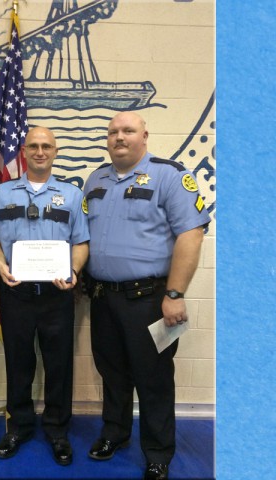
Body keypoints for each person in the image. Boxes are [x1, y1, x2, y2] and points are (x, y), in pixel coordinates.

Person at [83, 112, 211, 480]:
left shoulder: (169, 175)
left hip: (151, 299)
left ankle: (157, 452)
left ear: (144, 136)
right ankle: (115, 434)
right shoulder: (96, 179)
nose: (119, 137)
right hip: (103, 297)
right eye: (113, 132)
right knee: (112, 373)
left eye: (127, 131)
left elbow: (191, 235)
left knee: (153, 378)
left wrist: (175, 293)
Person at [0, 126, 89, 466]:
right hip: (16, 292)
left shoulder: (72, 195)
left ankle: (58, 430)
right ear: (24, 152)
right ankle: (18, 426)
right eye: (33, 146)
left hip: (56, 296)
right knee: (18, 363)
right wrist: (0, 266)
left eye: (46, 146)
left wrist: (73, 271)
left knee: (58, 364)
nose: (40, 151)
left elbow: (81, 243)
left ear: (55, 152)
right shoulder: (1, 194)